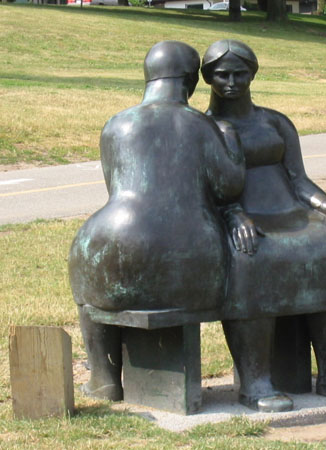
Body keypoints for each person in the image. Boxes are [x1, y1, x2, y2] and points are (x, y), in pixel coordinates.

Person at [201, 39, 326, 411]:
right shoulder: (205, 128)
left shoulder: (275, 122)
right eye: (222, 75)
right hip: (240, 215)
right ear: (207, 78)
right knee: (253, 259)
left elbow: (299, 179)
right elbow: (207, 187)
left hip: (290, 211)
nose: (231, 82)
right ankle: (256, 382)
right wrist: (232, 214)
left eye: (239, 74)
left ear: (252, 75)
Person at [68, 41, 245, 401]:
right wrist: (230, 141)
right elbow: (228, 187)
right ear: (189, 81)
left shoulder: (116, 124)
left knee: (89, 295)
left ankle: (103, 378)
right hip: (187, 253)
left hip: (110, 240)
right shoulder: (201, 124)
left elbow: (116, 185)